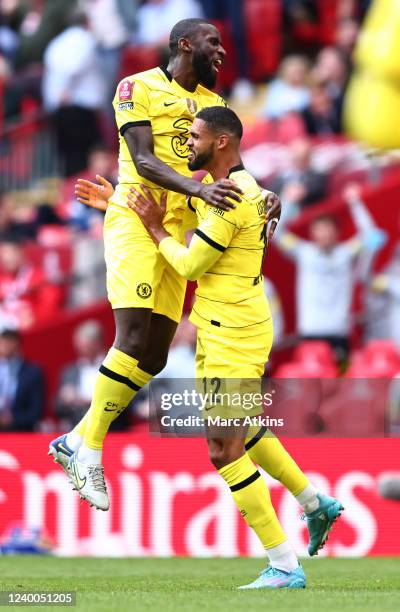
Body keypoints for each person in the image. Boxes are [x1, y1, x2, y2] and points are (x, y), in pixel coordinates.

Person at [48, 18, 282, 511]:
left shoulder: (215, 108)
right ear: (184, 44)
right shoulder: (137, 87)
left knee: (153, 356)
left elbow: (229, 168)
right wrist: (198, 189)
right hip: (138, 217)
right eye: (212, 42)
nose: (221, 51)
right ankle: (88, 448)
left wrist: (263, 195)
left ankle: (77, 439)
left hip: (176, 227)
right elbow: (143, 158)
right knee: (130, 336)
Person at [127, 106, 343, 590]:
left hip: (235, 333)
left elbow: (188, 265)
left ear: (221, 142)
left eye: (197, 136)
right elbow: (246, 200)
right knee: (242, 433)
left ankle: (284, 564)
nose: (189, 143)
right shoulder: (234, 189)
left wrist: (156, 228)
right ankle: (315, 503)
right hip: (224, 325)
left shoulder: (228, 197)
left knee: (223, 450)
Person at [276, 183, 385, 363]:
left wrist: (355, 203)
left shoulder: (346, 253)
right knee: (313, 386)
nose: (324, 234)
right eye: (319, 229)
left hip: (339, 333)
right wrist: (288, 201)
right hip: (311, 333)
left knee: (341, 384)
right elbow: (277, 233)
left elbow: (370, 235)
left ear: (336, 232)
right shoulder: (303, 253)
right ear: (312, 233)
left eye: (327, 229)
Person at [55, 320, 130, 432]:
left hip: (110, 431)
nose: (80, 349)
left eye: (86, 345)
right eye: (79, 345)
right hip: (77, 431)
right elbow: (57, 407)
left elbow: (127, 403)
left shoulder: (115, 368)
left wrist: (88, 401)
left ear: (98, 342)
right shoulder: (69, 371)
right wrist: (64, 399)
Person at [0, 328, 44, 431]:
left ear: (17, 344)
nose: (5, 346)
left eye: (9, 341)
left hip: (20, 431)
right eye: (3, 341)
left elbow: (36, 411)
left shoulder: (33, 373)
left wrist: (11, 419)